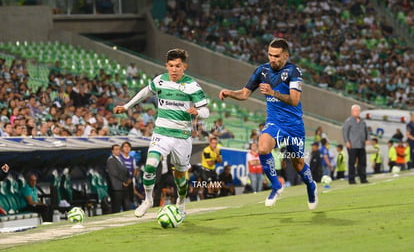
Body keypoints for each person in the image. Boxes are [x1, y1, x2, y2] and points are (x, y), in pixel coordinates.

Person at [219, 38, 318, 210]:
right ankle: (276, 186)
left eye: (277, 56)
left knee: (298, 164)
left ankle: (311, 185)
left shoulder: (294, 72)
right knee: (263, 148)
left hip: (294, 126)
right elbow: (244, 94)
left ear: (286, 55)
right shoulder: (261, 71)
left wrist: (273, 92)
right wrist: (229, 93)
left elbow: (294, 100)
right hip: (275, 123)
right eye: (270, 55)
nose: (272, 59)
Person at [113, 49, 209, 217]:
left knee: (180, 176)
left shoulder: (192, 85)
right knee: (150, 164)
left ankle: (181, 200)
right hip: (162, 133)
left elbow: (206, 111)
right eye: (171, 66)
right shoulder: (160, 81)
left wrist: (198, 113)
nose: (174, 69)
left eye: (178, 66)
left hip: (182, 136)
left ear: (184, 67)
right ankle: (148, 200)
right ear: (166, 66)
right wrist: (126, 106)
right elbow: (145, 92)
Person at [342, 104, 369, 184]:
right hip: (352, 145)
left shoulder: (363, 121)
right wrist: (347, 141)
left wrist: (367, 139)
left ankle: (363, 178)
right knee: (352, 163)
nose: (357, 112)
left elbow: (366, 131)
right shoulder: (348, 121)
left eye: (358, 110)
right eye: (355, 110)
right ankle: (351, 179)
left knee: (362, 162)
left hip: (361, 145)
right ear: (352, 111)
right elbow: (344, 132)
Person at [106, 144, 132, 213]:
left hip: (124, 186)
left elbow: (125, 171)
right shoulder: (111, 160)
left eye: (119, 149)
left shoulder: (120, 159)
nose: (118, 151)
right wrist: (124, 181)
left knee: (126, 205)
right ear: (112, 151)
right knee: (116, 206)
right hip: (117, 187)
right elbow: (115, 173)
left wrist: (128, 179)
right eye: (116, 149)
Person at [120, 141, 138, 209]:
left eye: (128, 147)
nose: (127, 148)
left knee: (130, 196)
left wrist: (132, 178)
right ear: (122, 148)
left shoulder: (132, 158)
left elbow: (135, 169)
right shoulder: (120, 157)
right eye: (125, 147)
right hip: (122, 181)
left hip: (130, 181)